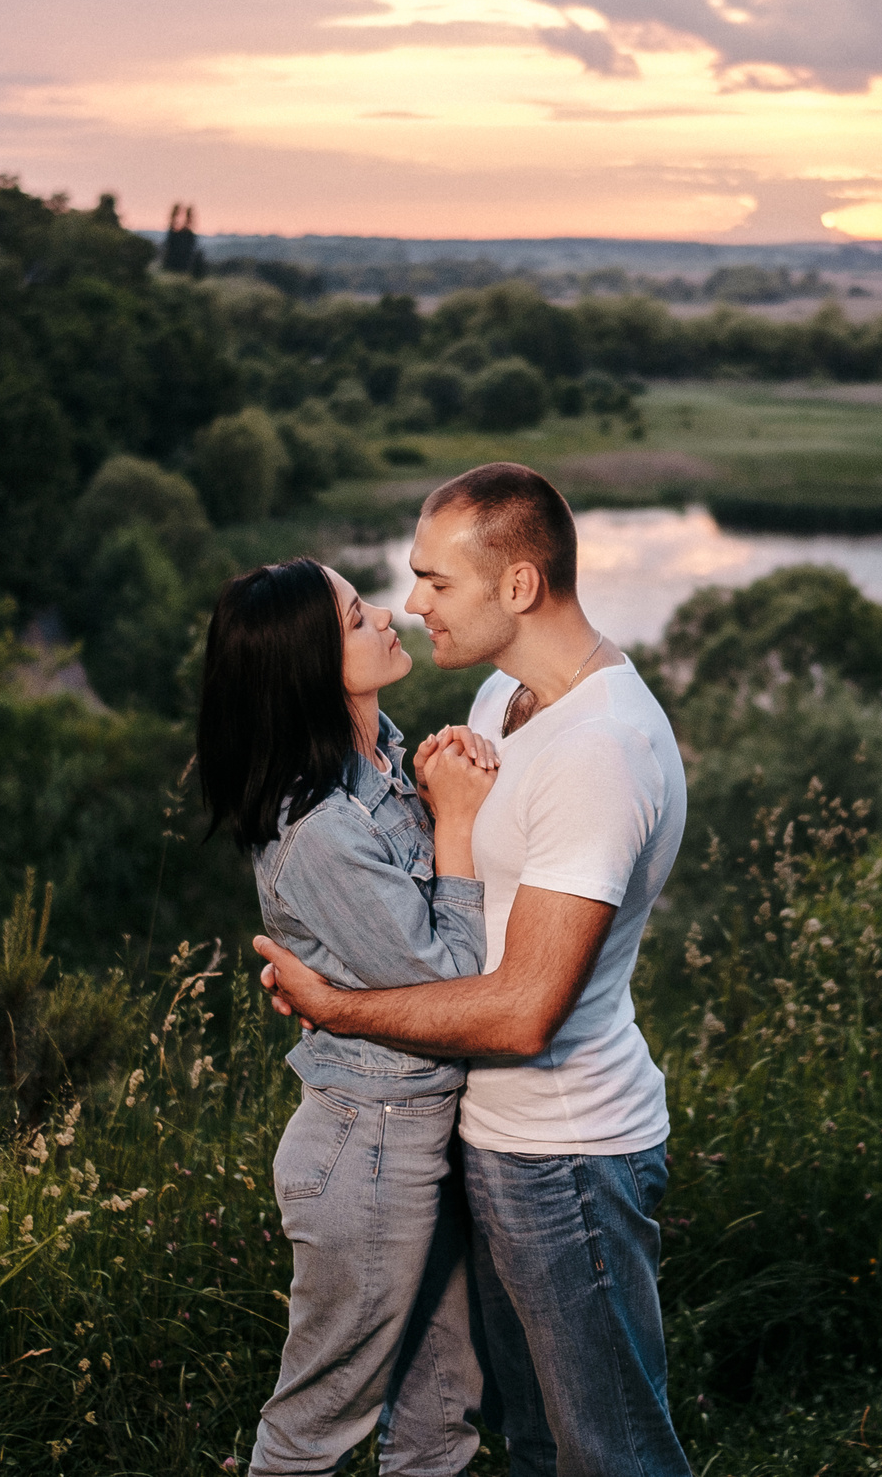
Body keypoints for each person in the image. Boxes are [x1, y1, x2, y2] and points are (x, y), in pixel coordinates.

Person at [255, 463, 693, 1477]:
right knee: (534, 1443)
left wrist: (339, 1006)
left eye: (436, 581)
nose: (413, 605)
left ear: (519, 585)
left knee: (612, 1455)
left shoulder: (603, 749)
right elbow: (451, 879)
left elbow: (524, 1011)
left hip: (567, 1152)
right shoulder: (505, 697)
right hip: (486, 1141)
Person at [197, 556, 502, 1477]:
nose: (387, 617)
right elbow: (451, 983)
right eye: (355, 617)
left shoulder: (379, 763)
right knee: (319, 1422)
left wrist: (441, 780)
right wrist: (456, 821)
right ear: (309, 667)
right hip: (371, 1144)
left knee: (442, 1411)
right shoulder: (320, 828)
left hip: (427, 1128)